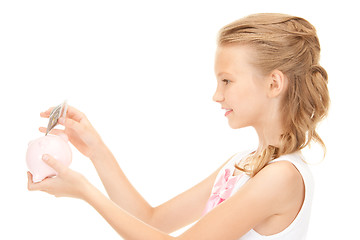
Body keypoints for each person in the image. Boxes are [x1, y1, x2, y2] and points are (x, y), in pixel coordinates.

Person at [27, 13, 329, 240]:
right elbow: (152, 220)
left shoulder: (282, 177)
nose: (217, 95)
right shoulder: (242, 164)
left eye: (227, 80)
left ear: (274, 83)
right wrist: (96, 150)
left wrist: (85, 191)